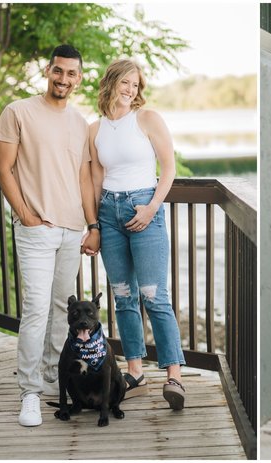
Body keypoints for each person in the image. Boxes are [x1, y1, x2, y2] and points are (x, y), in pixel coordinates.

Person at [0, 44, 99, 426]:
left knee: (61, 310)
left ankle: (56, 379)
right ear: (48, 71)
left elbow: (85, 178)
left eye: (72, 74)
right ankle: (30, 392)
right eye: (58, 71)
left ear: (79, 78)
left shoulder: (80, 123)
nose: (64, 80)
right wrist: (26, 215)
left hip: (72, 231)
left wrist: (93, 225)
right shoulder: (18, 111)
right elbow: (3, 170)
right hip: (36, 230)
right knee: (35, 310)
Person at [85, 59, 186, 409]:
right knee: (124, 296)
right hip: (109, 214)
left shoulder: (147, 119)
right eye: (125, 83)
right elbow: (97, 179)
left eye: (135, 84)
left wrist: (152, 207)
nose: (130, 90)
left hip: (144, 206)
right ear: (111, 83)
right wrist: (95, 225)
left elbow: (169, 168)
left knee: (154, 296)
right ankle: (135, 373)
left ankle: (174, 376)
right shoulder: (95, 128)